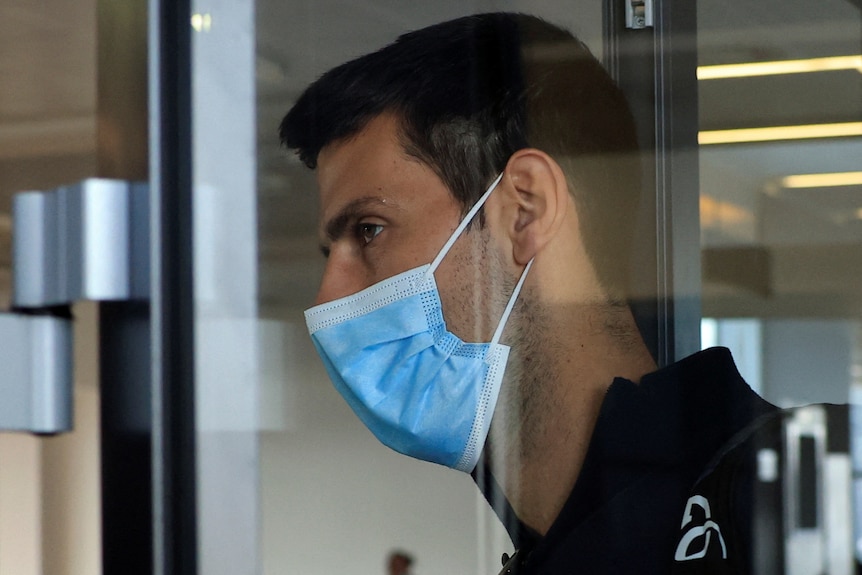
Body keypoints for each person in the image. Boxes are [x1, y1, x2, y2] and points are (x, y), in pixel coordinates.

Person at [280, 12, 801, 574]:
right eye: (329, 253)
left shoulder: (792, 504)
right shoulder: (562, 542)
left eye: (369, 230)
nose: (328, 296)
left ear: (525, 212)